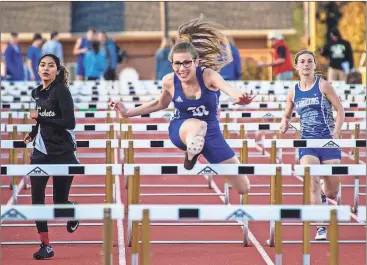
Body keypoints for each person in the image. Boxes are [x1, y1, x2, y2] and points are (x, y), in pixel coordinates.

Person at [110, 15, 255, 194]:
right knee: (198, 125)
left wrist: (240, 97)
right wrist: (127, 112)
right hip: (182, 129)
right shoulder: (169, 81)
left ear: (196, 62)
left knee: (244, 187)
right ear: (172, 65)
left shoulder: (208, 75)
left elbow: (228, 87)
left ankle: (198, 147)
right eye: (177, 64)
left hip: (211, 132)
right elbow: (159, 103)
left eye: (187, 63)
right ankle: (191, 154)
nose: (182, 68)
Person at [279, 49, 345, 240]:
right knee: (312, 182)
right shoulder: (293, 91)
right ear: (296, 66)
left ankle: (325, 197)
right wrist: (284, 121)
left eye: (309, 61)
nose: (306, 64)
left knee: (332, 192)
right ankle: (321, 227)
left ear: (315, 65)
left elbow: (340, 110)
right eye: (302, 61)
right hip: (307, 142)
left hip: (328, 141)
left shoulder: (323, 85)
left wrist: (338, 130)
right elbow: (287, 114)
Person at [23, 54, 80, 260]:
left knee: (59, 202)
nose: (46, 68)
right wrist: (33, 132)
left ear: (57, 69)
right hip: (41, 152)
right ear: (37, 69)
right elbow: (41, 121)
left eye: (50, 65)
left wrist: (42, 118)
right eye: (42, 65)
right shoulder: (36, 92)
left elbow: (69, 122)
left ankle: (72, 210)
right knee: (37, 198)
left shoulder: (62, 91)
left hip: (62, 151)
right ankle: (45, 245)